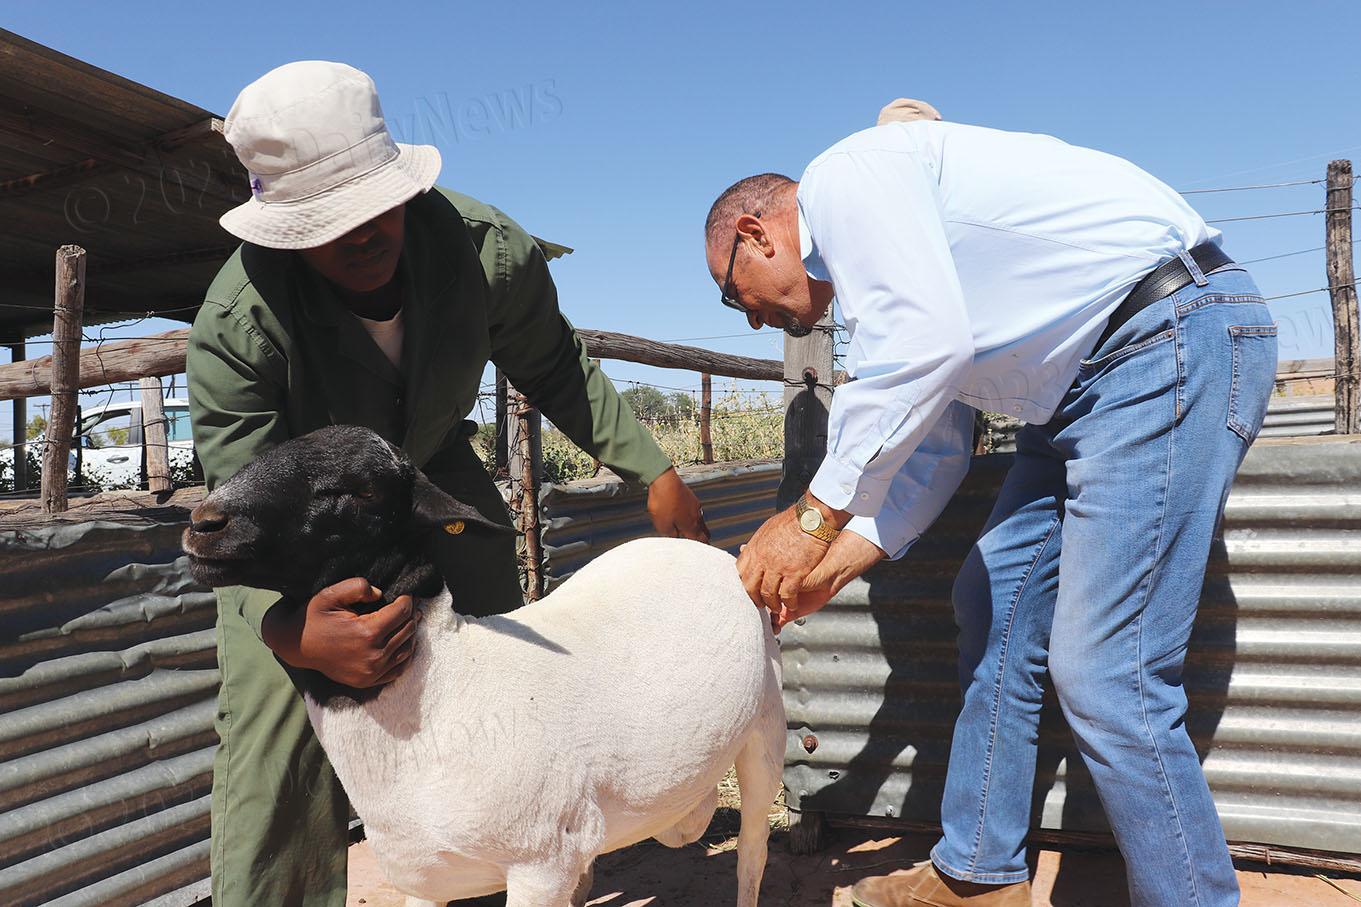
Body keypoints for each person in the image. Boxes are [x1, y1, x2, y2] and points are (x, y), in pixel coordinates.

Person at [704, 116, 1277, 907]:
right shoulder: (890, 282)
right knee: (989, 597)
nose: (755, 319)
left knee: (1110, 672)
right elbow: (932, 452)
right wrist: (828, 568)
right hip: (1077, 393)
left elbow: (925, 347)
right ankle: (978, 873)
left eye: (735, 295)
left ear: (755, 232)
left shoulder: (845, 177)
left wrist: (807, 519)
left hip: (1161, 341)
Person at [189, 60, 707, 907]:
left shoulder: (483, 249)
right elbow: (233, 499)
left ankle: (506, 866)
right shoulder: (239, 321)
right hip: (304, 531)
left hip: (431, 469)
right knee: (276, 729)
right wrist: (288, 631)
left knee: (503, 674)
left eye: (373, 203)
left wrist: (651, 469)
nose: (361, 234)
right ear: (282, 227)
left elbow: (553, 362)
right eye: (329, 221)